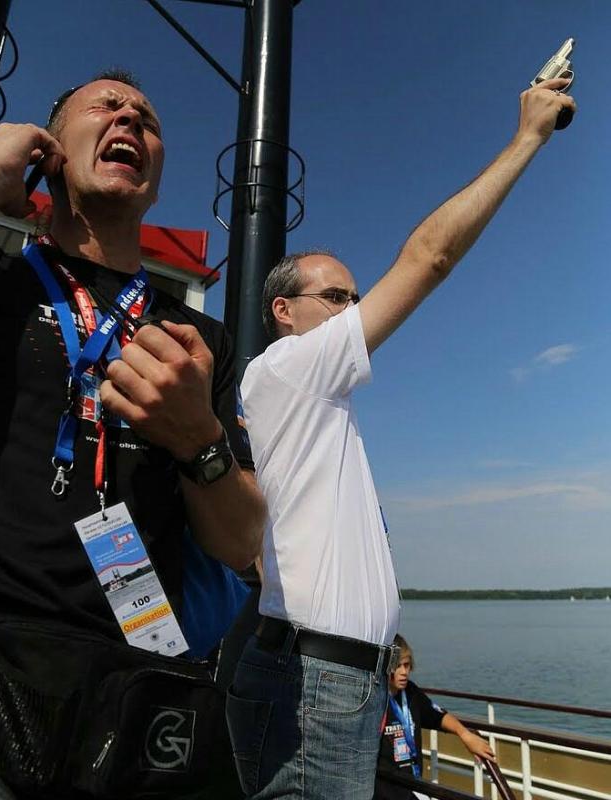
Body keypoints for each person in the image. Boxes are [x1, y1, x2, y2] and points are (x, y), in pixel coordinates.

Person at [226, 77, 575, 800]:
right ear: (283, 310)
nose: (354, 309)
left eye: (356, 298)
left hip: (338, 677)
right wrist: (528, 138)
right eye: (337, 297)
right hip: (314, 679)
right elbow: (429, 258)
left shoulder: (310, 398)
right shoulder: (288, 367)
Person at [0, 70, 266, 798]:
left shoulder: (198, 337)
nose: (129, 120)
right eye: (105, 107)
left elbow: (241, 544)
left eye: (146, 117)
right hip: (3, 654)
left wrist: (198, 439)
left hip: (142, 676)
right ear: (47, 151)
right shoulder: (0, 286)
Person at [374, 636, 494, 800]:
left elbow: (438, 716)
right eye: (397, 666)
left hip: (412, 786)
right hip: (384, 790)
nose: (404, 672)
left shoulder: (411, 693)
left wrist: (464, 734)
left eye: (407, 665)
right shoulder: (375, 698)